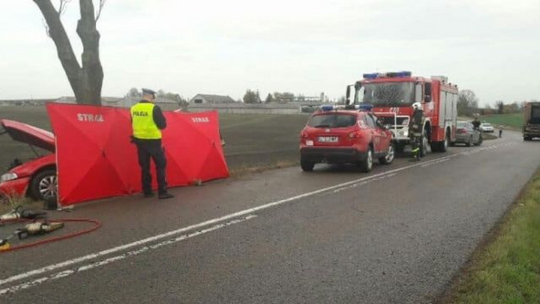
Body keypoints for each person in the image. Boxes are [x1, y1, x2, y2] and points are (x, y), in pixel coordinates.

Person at [130, 88, 174, 199]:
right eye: (154, 96)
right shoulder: (154, 108)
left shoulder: (133, 108)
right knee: (161, 165)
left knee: (145, 167)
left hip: (139, 141)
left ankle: (147, 191)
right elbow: (162, 125)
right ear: (150, 96)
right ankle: (162, 192)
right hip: (153, 141)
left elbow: (133, 122)